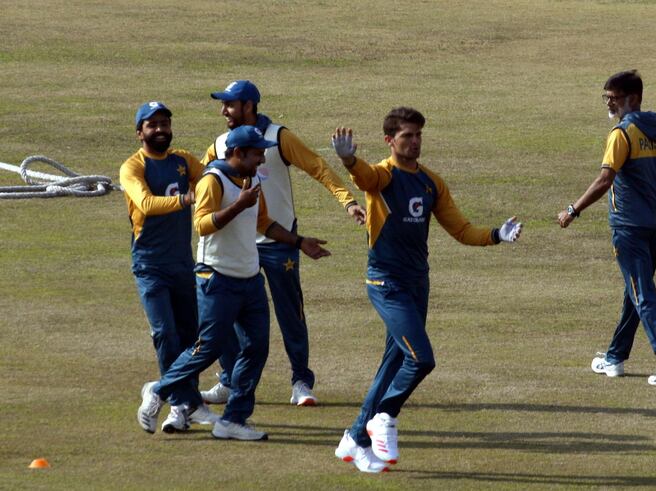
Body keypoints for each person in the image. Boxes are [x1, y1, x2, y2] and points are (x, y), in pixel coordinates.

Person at [330, 107, 522, 473]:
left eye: (418, 135)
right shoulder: (382, 177)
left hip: (418, 284)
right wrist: (349, 159)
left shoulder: (431, 183)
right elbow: (364, 177)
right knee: (421, 359)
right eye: (407, 136)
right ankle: (382, 417)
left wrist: (497, 235)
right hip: (385, 282)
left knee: (392, 364)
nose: (415, 142)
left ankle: (353, 439)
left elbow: (461, 230)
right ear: (390, 140)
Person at [136, 125, 331, 441]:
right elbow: (201, 225)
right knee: (207, 347)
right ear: (238, 153)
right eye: (256, 154)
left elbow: (263, 221)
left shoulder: (252, 178)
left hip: (249, 279)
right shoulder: (212, 180)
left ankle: (234, 419)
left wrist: (299, 241)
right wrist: (237, 205)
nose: (261, 159)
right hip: (217, 279)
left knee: (257, 348)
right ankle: (158, 389)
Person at [200, 80, 366, 407]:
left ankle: (301, 381)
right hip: (238, 248)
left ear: (248, 105)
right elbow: (202, 182)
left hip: (279, 242)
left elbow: (317, 167)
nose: (223, 111)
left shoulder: (278, 138)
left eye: (229, 105)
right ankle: (228, 381)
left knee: (292, 314)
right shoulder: (220, 145)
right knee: (229, 316)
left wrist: (347, 202)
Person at [557, 69, 656, 386]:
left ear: (632, 99)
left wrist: (572, 209)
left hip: (629, 228)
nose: (609, 103)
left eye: (614, 98)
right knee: (634, 291)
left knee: (642, 292)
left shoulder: (622, 135)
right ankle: (615, 357)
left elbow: (605, 179)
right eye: (606, 98)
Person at [121, 101, 219, 434]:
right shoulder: (132, 168)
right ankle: (181, 400)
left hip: (182, 263)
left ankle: (181, 400)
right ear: (140, 133)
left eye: (165, 123)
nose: (160, 129)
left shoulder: (182, 161)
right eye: (152, 125)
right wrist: (187, 200)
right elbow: (146, 204)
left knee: (192, 335)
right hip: (150, 265)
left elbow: (211, 177)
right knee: (165, 333)